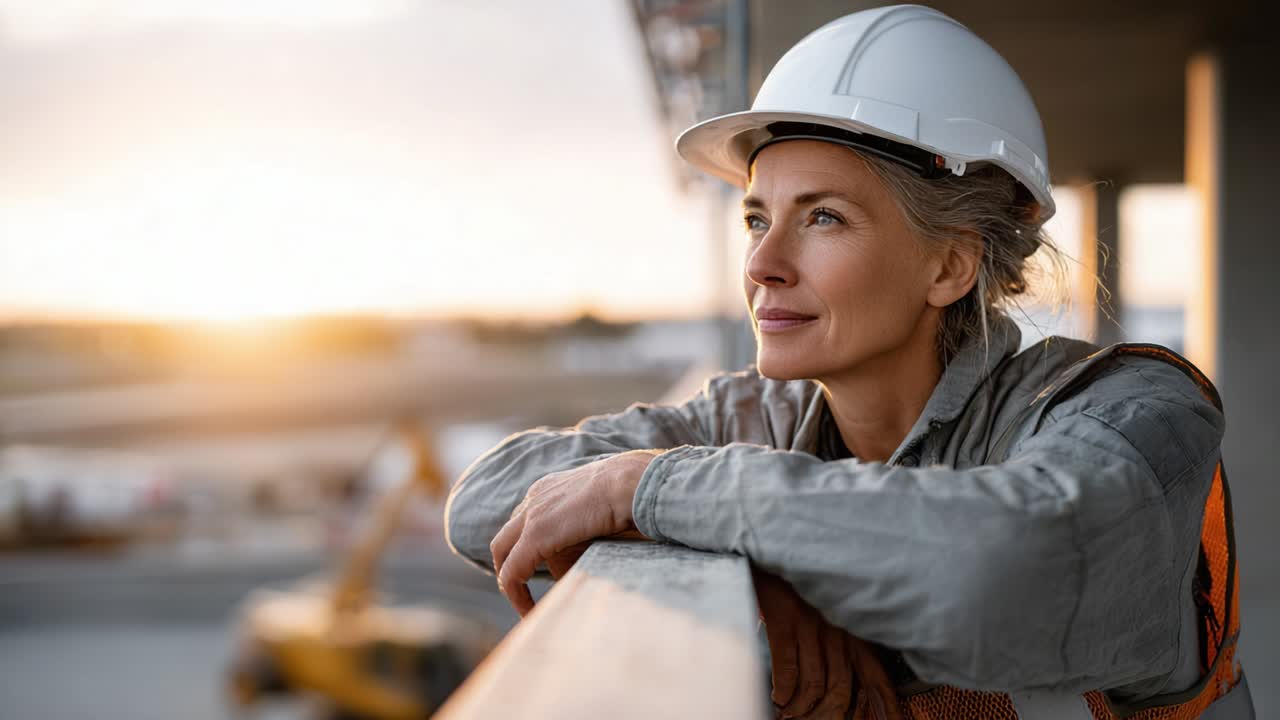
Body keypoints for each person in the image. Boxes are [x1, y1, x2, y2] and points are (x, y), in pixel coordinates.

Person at [444, 5, 1252, 719]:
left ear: (949, 266)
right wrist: (766, 571)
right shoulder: (757, 417)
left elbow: (994, 575)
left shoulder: (1135, 413)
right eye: (756, 219)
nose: (762, 264)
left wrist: (656, 489)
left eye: (823, 217)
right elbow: (485, 504)